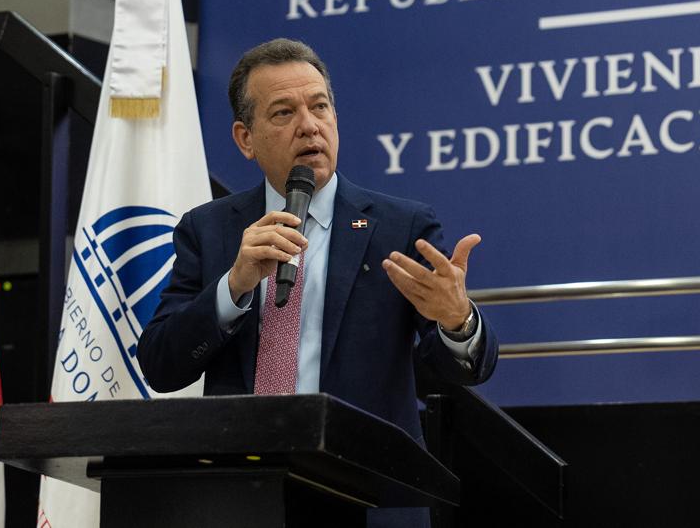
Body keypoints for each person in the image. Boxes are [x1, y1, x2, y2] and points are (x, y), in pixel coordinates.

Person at [138, 38, 497, 527]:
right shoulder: (210, 230)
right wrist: (233, 286)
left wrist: (457, 322)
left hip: (367, 497)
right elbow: (161, 364)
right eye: (284, 112)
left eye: (320, 106)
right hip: (242, 498)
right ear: (246, 139)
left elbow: (460, 371)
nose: (309, 125)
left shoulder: (400, 227)